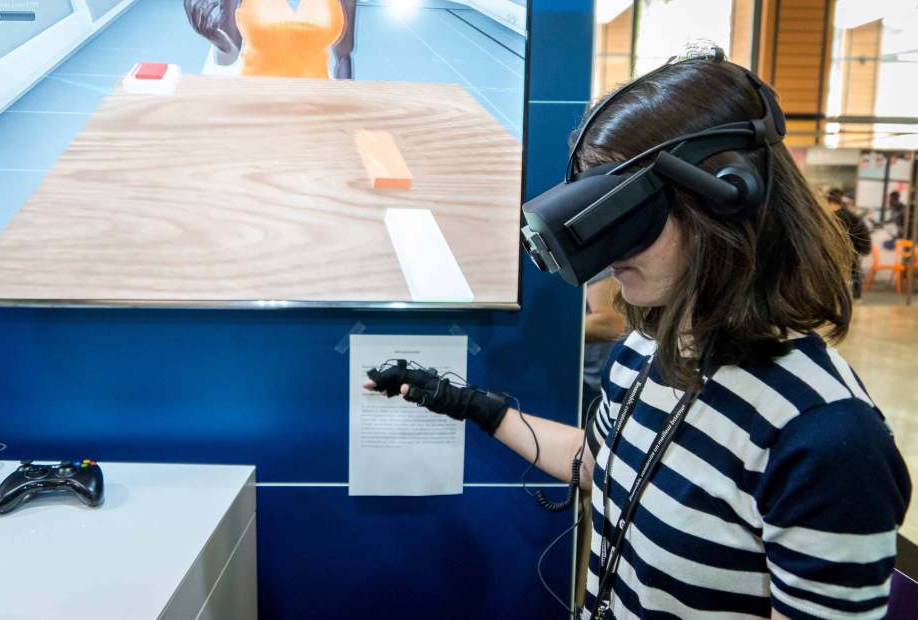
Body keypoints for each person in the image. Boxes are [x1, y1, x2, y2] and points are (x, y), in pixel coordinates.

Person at [365, 52, 910, 618]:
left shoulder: (825, 440)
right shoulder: (647, 350)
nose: (605, 247)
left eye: (627, 214)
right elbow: (600, 463)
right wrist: (466, 403)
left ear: (726, 195)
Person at [184, 0, 357, 78]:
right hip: (256, 100)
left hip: (317, 101)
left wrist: (345, 102)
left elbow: (344, 56)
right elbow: (229, 56)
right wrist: (216, 38)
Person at [581, 270, 625, 425]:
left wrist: (550, 330)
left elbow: (610, 324)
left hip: (601, 387)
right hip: (582, 381)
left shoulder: (589, 258)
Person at [827, 189, 871, 299]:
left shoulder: (843, 215)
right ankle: (851, 297)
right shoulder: (841, 213)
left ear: (831, 203)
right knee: (850, 272)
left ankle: (855, 297)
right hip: (848, 248)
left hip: (851, 248)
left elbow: (858, 231)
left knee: (852, 272)